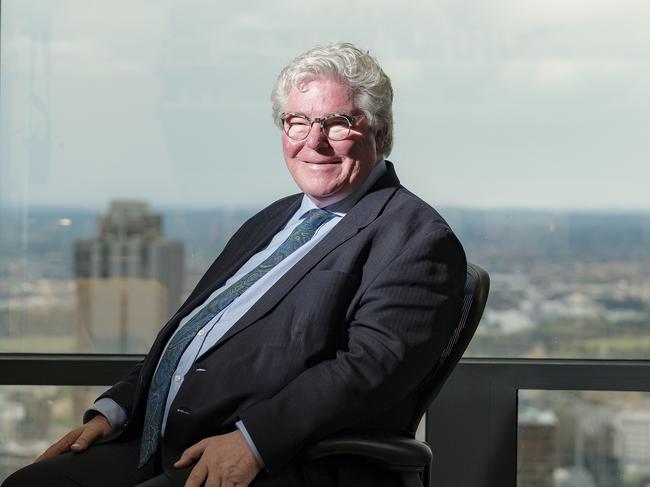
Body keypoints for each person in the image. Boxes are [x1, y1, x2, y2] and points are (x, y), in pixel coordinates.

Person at [2, 42, 466, 487]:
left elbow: (367, 372)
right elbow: (195, 329)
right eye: (297, 122)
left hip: (280, 460)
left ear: (379, 131)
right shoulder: (274, 219)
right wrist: (116, 410)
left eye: (338, 123)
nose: (314, 141)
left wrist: (253, 442)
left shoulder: (418, 239)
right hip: (162, 440)